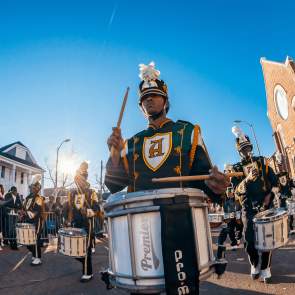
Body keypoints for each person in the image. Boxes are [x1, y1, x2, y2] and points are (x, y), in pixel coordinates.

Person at [104, 62, 229, 294]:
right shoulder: (131, 143)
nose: (149, 100)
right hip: (143, 232)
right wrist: (113, 154)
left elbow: (206, 181)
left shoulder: (188, 133)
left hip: (180, 224)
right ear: (141, 107)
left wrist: (218, 186)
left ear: (166, 101)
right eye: (144, 98)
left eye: (154, 95)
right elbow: (113, 185)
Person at [231, 126, 278, 283]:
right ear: (239, 152)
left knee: (267, 239)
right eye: (243, 150)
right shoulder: (236, 169)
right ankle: (254, 263)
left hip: (266, 206)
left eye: (248, 148)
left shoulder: (263, 162)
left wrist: (270, 195)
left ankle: (265, 267)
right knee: (250, 240)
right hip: (248, 208)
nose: (247, 152)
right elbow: (236, 192)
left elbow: (275, 183)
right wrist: (247, 179)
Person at [63, 162, 100, 282]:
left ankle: (88, 273)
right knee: (73, 250)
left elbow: (97, 209)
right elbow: (69, 209)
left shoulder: (91, 192)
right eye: (76, 179)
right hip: (75, 224)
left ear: (84, 179)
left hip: (87, 224)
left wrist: (88, 212)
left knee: (86, 249)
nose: (78, 181)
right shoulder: (72, 193)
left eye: (80, 179)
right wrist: (67, 220)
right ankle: (85, 263)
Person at [23, 175, 45, 266]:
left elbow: (37, 210)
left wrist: (30, 213)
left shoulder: (39, 198)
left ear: (37, 188)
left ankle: (38, 258)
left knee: (35, 239)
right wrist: (22, 212)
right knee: (28, 241)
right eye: (31, 187)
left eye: (34, 187)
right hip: (28, 220)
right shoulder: (28, 197)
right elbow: (24, 208)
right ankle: (34, 253)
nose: (32, 188)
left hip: (37, 221)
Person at [216, 185, 241, 260]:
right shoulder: (224, 199)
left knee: (237, 229)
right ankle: (234, 243)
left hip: (236, 217)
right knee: (230, 231)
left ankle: (237, 240)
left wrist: (238, 217)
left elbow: (238, 207)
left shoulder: (236, 199)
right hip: (228, 218)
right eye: (228, 192)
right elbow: (223, 207)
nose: (229, 194)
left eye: (231, 192)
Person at [0, 184, 5, 250]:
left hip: (1, 213)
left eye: (0, 188)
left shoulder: (1, 195)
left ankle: (1, 241)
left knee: (1, 229)